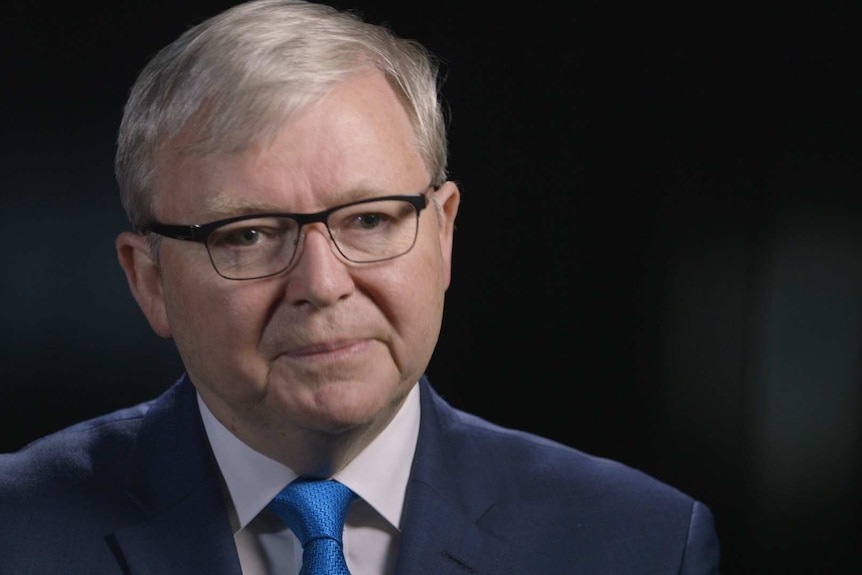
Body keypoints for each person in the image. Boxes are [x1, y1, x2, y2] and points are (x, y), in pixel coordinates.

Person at [0, 0, 721, 573]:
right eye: (249, 233)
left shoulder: (641, 545)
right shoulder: (17, 532)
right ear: (149, 280)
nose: (322, 283)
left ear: (442, 234)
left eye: (370, 219)